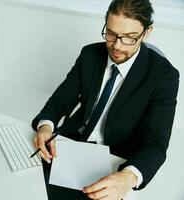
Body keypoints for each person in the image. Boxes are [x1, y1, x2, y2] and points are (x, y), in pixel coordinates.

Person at [31, 0, 180, 199]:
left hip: (116, 157)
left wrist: (128, 177)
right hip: (71, 144)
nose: (116, 46)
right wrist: (45, 126)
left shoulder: (164, 76)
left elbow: (156, 143)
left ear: (147, 32)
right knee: (28, 187)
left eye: (129, 37)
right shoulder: (89, 54)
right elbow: (60, 100)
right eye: (110, 33)